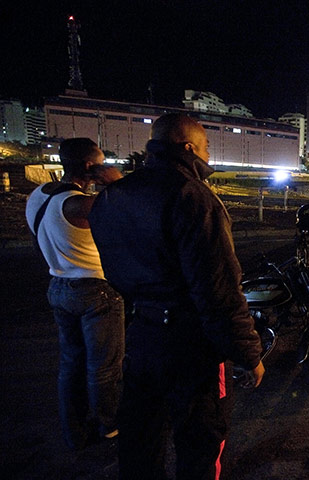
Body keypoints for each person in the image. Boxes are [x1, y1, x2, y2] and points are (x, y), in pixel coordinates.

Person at [88, 113, 265, 479]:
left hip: (142, 335)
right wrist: (248, 354)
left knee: (141, 440)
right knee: (201, 443)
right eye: (205, 148)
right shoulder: (194, 197)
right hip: (192, 346)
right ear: (188, 147)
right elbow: (218, 293)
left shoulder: (114, 196)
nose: (208, 155)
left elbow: (114, 270)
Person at [25, 138, 125, 449]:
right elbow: (126, 211)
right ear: (89, 166)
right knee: (104, 366)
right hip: (95, 291)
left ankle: (74, 429)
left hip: (58, 285)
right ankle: (109, 425)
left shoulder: (39, 196)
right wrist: (116, 183)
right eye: (100, 161)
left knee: (71, 363)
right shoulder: (80, 205)